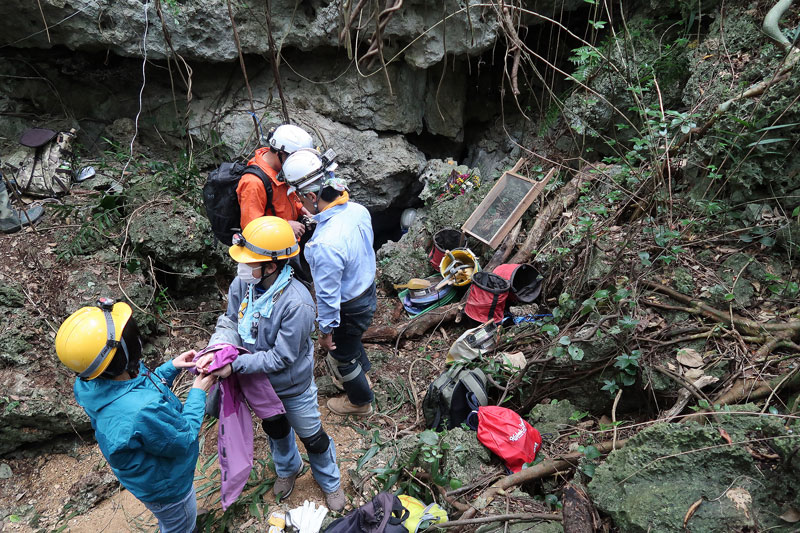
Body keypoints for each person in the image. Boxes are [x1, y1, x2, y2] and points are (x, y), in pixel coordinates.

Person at [196, 215, 346, 511]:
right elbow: (229, 319)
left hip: (291, 386)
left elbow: (282, 357)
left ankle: (330, 482)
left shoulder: (297, 303)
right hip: (257, 383)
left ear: (271, 266)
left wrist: (234, 366)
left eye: (249, 261)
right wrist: (219, 347)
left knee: (312, 437)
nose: (242, 267)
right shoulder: (244, 284)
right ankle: (288, 469)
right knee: (275, 429)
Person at [55, 298, 215, 533]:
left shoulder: (95, 384)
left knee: (172, 517)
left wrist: (171, 367)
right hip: (169, 486)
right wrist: (198, 392)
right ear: (121, 355)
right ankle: (181, 522)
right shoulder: (142, 410)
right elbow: (184, 438)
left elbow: (139, 387)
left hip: (148, 480)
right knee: (179, 523)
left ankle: (177, 519)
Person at [281, 149, 377, 417]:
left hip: (349, 304)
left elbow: (327, 296)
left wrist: (325, 332)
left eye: (300, 197)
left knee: (341, 354)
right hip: (367, 290)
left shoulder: (324, 244)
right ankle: (363, 373)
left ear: (312, 196)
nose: (300, 203)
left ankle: (360, 402)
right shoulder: (358, 210)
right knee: (351, 338)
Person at [237, 124, 314, 241]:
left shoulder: (282, 169)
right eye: (295, 160)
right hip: (271, 251)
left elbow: (284, 197)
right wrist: (286, 226)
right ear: (280, 153)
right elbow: (251, 228)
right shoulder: (254, 182)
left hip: (288, 241)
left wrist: (300, 208)